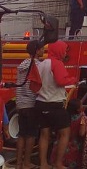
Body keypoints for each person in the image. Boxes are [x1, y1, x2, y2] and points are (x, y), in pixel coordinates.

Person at [35, 40, 78, 169]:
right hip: (55, 104)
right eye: (64, 50)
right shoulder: (57, 63)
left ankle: (43, 164)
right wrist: (73, 79)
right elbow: (60, 81)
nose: (65, 53)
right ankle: (58, 163)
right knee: (65, 133)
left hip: (41, 103)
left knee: (44, 135)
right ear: (58, 50)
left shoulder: (41, 64)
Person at [16, 40, 43, 169]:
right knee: (31, 134)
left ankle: (18, 163)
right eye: (42, 49)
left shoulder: (22, 64)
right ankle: (27, 162)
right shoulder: (37, 65)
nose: (43, 51)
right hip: (31, 104)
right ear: (37, 51)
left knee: (22, 134)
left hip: (20, 104)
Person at [58, 99, 84, 169]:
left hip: (59, 146)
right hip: (75, 147)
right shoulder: (82, 117)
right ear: (78, 109)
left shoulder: (63, 116)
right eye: (81, 105)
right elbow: (82, 133)